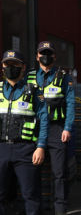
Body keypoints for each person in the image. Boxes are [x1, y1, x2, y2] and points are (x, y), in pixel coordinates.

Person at [27, 41, 75, 215]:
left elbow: (70, 103)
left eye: (48, 53)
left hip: (57, 129)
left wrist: (67, 128)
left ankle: (60, 208)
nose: (45, 56)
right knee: (32, 171)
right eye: (42, 53)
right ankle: (35, 209)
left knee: (59, 172)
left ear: (54, 56)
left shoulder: (63, 77)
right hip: (34, 128)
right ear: (37, 56)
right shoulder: (29, 76)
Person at [0, 50, 48, 215]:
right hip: (1, 150)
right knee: (2, 195)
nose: (11, 68)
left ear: (23, 68)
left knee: (31, 195)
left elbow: (44, 120)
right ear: (2, 67)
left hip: (26, 151)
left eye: (15, 64)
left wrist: (40, 146)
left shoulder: (34, 91)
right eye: (7, 64)